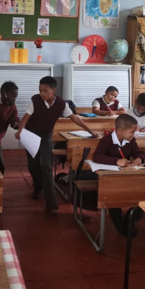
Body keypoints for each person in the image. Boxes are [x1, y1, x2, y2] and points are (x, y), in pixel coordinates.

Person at [16, 76, 98, 211]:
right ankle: (38, 187)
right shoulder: (35, 100)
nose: (42, 93)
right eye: (40, 90)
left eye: (45, 91)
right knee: (33, 164)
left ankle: (51, 203)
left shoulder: (61, 104)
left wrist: (89, 130)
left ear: (53, 91)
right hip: (31, 135)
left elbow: (74, 118)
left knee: (47, 167)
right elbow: (26, 117)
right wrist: (20, 131)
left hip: (46, 136)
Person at [93, 114, 145, 235]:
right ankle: (120, 226)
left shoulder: (130, 141)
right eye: (132, 132)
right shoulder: (106, 140)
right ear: (121, 131)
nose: (133, 135)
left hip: (126, 176)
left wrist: (139, 158)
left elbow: (139, 153)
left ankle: (131, 219)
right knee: (113, 196)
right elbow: (97, 156)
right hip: (109, 179)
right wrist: (116, 161)